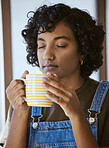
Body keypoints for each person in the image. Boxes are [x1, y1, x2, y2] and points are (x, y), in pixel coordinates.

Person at [0, 3, 109, 148]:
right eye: (41, 46)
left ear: (83, 50)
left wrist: (76, 115)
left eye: (61, 45)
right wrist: (20, 112)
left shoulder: (106, 98)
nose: (47, 55)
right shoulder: (24, 98)